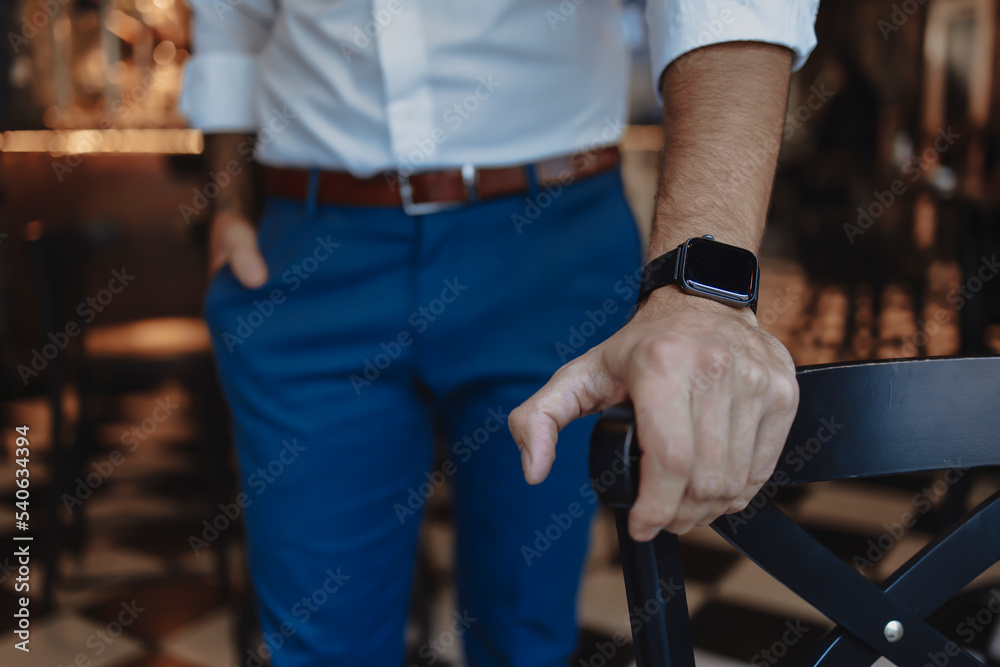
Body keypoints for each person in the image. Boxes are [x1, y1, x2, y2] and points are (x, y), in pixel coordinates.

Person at [181, 1, 816, 664]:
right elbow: (231, 25)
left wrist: (703, 283)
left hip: (545, 237)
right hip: (312, 251)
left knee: (523, 628)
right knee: (317, 644)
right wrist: (226, 207)